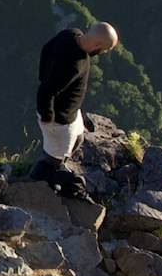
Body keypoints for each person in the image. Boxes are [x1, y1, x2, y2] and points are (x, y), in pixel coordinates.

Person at [35, 18, 118, 174]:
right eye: (105, 50)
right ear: (97, 46)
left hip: (71, 114)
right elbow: (46, 91)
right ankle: (38, 181)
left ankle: (59, 161)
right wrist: (48, 118)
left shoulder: (71, 34)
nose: (104, 53)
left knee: (78, 137)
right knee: (53, 160)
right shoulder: (74, 64)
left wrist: (43, 75)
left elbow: (47, 48)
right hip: (60, 121)